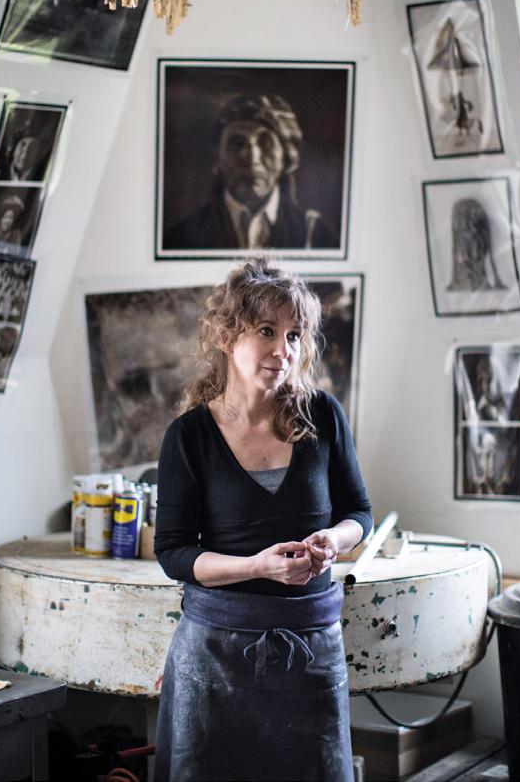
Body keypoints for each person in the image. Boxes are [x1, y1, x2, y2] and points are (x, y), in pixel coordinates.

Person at [153, 256, 372, 782]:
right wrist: (257, 566)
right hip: (216, 653)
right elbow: (173, 553)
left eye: (295, 335)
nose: (284, 350)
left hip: (311, 649)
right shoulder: (189, 437)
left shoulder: (323, 416)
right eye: (267, 331)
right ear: (228, 336)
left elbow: (358, 513)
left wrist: (334, 539)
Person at [164, 94, 337, 251]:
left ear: (286, 157)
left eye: (265, 143)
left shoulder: (315, 235)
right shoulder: (181, 239)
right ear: (217, 156)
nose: (252, 159)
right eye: (237, 144)